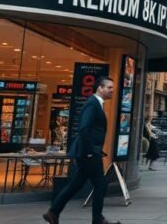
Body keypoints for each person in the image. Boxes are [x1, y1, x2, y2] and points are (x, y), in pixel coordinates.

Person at [43, 76, 120, 224]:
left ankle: (53, 212)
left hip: (89, 152)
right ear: (100, 88)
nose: (112, 90)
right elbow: (84, 129)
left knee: (76, 184)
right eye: (109, 87)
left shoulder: (97, 104)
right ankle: (97, 219)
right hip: (89, 153)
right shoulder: (92, 104)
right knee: (100, 184)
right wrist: (91, 150)